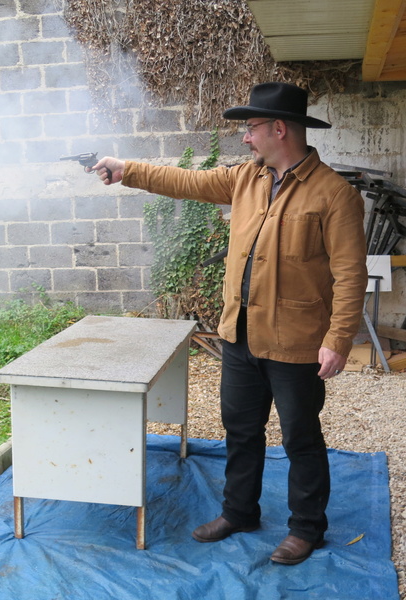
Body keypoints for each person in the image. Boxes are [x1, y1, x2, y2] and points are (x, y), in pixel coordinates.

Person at [92, 82, 368, 565]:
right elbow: (187, 182)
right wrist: (126, 168)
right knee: (240, 430)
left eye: (251, 127)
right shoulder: (247, 178)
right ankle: (240, 511)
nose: (245, 138)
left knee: (301, 438)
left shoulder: (335, 195)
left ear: (278, 129)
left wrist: (338, 339)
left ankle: (306, 528)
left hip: (298, 344)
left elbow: (350, 274)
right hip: (239, 336)